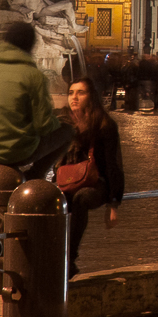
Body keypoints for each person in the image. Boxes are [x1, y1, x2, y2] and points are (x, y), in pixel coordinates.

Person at [0, 22, 74, 179]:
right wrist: (57, 122)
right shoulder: (33, 75)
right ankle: (36, 176)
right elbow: (43, 125)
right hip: (18, 151)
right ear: (30, 46)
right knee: (68, 131)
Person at [57, 78, 124, 281]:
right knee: (45, 202)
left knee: (81, 199)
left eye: (81, 93)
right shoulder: (62, 121)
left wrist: (113, 204)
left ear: (91, 96)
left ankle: (69, 260)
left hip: (95, 182)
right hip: (65, 180)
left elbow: (113, 164)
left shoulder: (103, 124)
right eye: (71, 92)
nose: (74, 97)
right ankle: (51, 257)